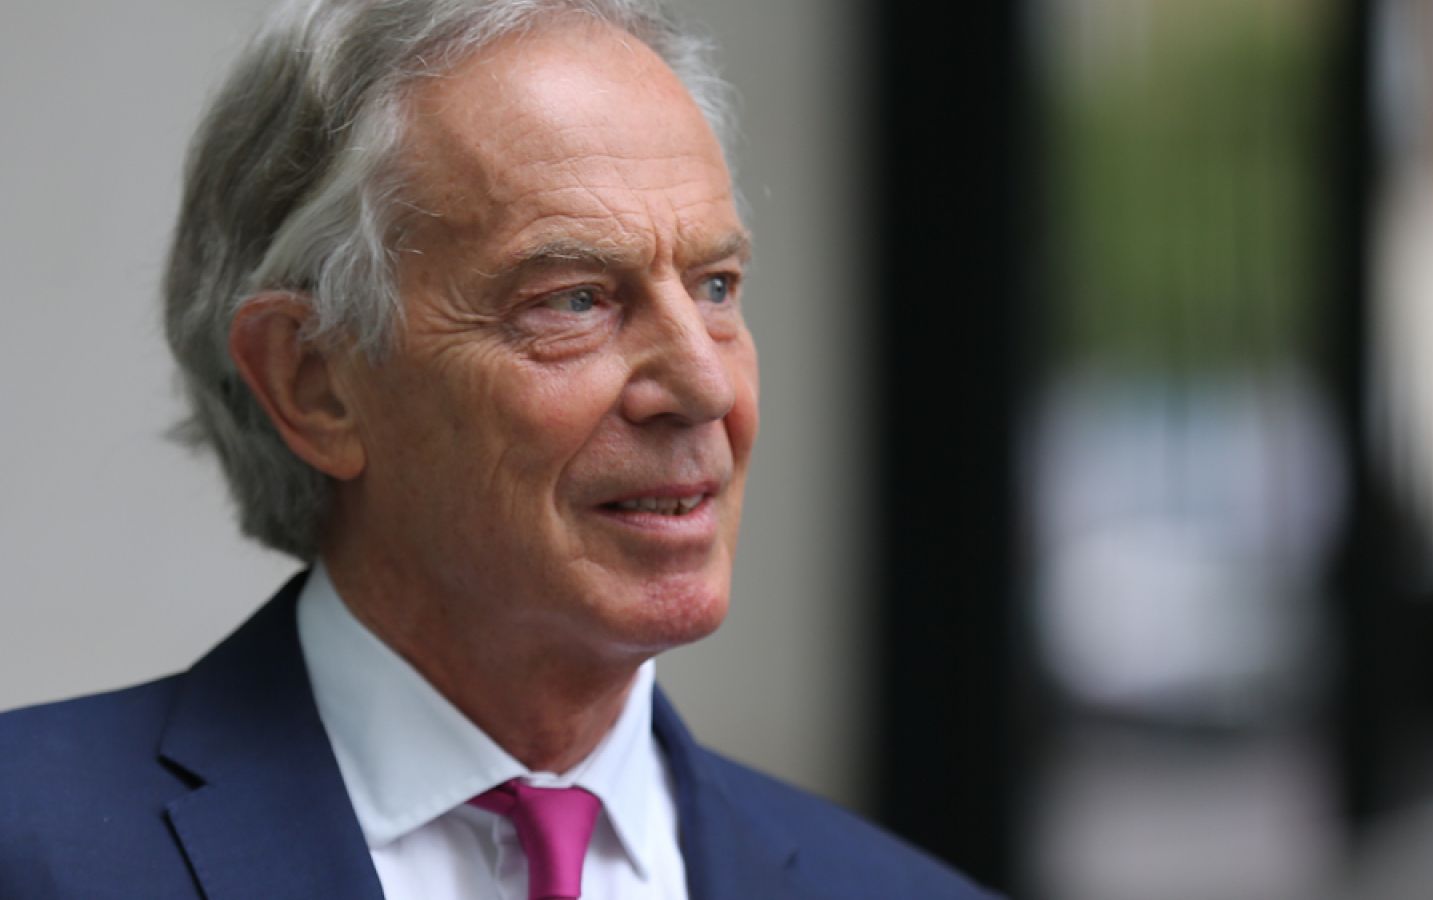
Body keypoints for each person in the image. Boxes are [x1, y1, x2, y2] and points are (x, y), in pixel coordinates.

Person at [0, 1, 1000, 897]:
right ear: (314, 382)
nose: (705, 386)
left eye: (715, 288)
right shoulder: (34, 848)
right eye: (574, 300)